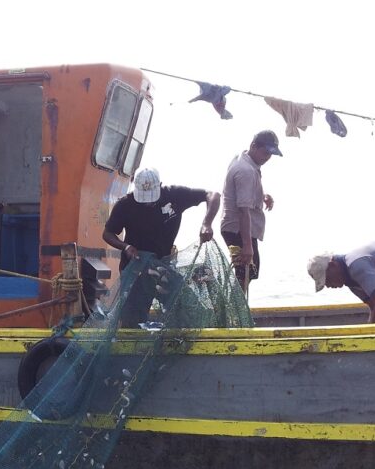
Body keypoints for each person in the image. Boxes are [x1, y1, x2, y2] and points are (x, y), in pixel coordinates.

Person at [102, 167, 220, 326]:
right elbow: (108, 233)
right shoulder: (125, 205)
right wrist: (125, 246)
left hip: (164, 266)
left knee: (183, 307)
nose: (148, 203)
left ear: (160, 186)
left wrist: (207, 223)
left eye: (151, 198)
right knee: (131, 319)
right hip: (135, 268)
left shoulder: (174, 195)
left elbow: (212, 195)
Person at [220, 129, 282, 295]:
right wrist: (247, 246)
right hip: (238, 229)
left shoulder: (243, 159)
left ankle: (235, 312)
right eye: (265, 153)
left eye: (271, 154)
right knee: (245, 273)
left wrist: (261, 195)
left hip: (236, 227)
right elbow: (242, 210)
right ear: (253, 146)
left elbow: (239, 191)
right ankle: (234, 315)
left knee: (249, 273)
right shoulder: (246, 171)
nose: (267, 157)